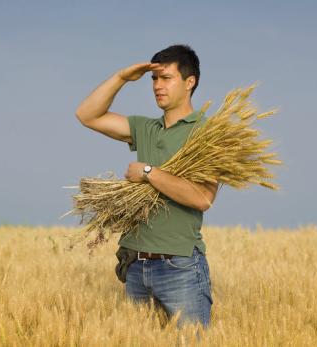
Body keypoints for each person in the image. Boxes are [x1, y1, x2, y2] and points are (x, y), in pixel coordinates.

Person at [75, 44, 219, 328]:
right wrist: (121, 78)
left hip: (180, 267)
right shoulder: (146, 128)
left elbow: (202, 198)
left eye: (166, 78)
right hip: (136, 264)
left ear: (190, 82)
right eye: (154, 79)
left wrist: (150, 173)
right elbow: (87, 115)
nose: (157, 86)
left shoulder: (208, 133)